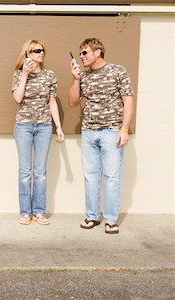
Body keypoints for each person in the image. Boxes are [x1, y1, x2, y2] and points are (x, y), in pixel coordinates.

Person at [68, 38, 134, 234]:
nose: (81, 57)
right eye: (80, 53)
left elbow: (128, 101)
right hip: (89, 132)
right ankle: (92, 216)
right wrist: (76, 78)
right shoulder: (84, 76)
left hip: (112, 132)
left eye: (85, 52)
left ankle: (111, 219)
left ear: (97, 52)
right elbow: (72, 102)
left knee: (112, 176)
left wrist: (124, 128)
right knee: (90, 176)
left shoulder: (118, 71)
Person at [11, 39, 65, 226]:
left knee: (40, 172)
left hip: (43, 127)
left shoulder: (49, 75)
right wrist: (25, 74)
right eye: (36, 50)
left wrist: (58, 126)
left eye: (43, 49)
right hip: (24, 126)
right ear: (27, 53)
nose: (41, 52)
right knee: (25, 172)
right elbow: (17, 98)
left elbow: (52, 103)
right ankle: (26, 212)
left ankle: (39, 212)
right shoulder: (18, 74)